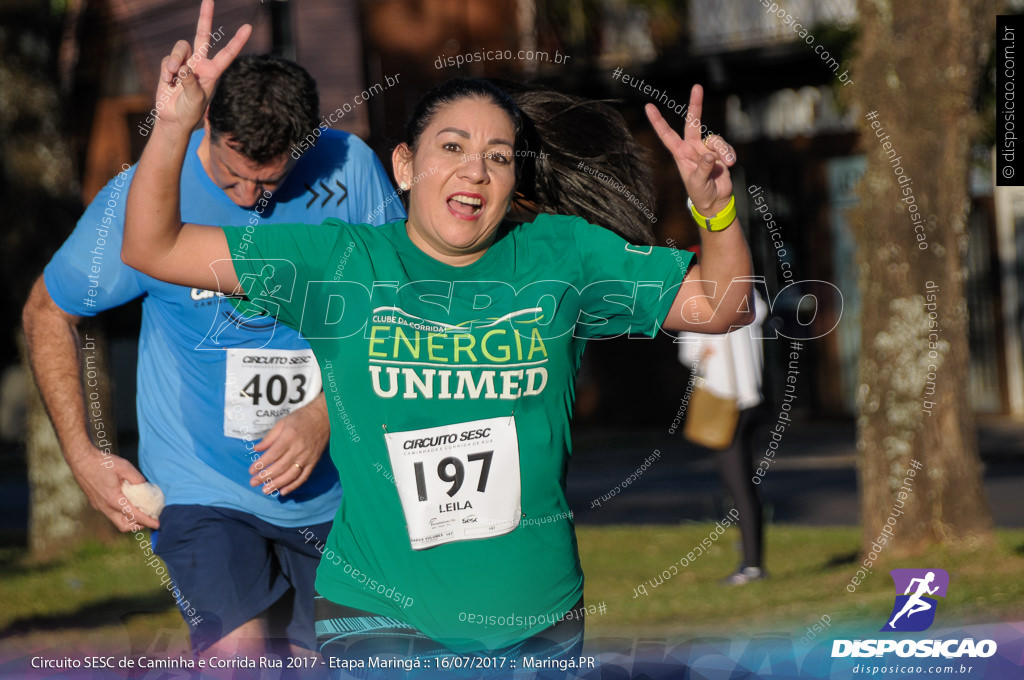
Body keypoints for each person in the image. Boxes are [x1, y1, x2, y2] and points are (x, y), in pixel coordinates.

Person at [121, 0, 754, 670]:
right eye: (451, 147)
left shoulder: (562, 256)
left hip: (534, 616)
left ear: (513, 181)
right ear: (403, 167)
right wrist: (172, 128)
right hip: (376, 615)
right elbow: (152, 247)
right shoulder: (340, 265)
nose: (474, 171)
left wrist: (716, 210)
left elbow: (723, 306)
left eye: (498, 157)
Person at [21, 31, 404, 659]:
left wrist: (324, 414)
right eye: (232, 175)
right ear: (210, 134)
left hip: (338, 489)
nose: (250, 200)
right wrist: (83, 455)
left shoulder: (349, 168)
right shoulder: (148, 190)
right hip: (201, 484)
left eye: (271, 183)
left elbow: (399, 316)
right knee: (238, 655)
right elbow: (48, 311)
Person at [678, 280, 769, 585]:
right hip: (752, 397)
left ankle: (753, 564)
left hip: (725, 401)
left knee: (738, 486)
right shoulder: (749, 295)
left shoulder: (700, 302)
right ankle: (750, 552)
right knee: (746, 484)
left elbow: (689, 353)